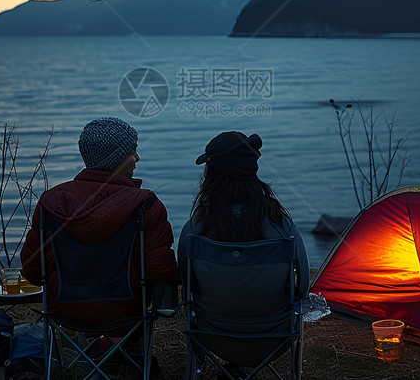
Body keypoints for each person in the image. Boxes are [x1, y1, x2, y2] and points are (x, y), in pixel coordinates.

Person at [20, 116, 179, 324]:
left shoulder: (51, 203)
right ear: (117, 158)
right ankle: (129, 351)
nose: (137, 157)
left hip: (63, 312)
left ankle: (78, 348)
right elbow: (161, 270)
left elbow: (33, 272)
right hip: (128, 313)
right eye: (132, 151)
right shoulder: (145, 205)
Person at [178, 131, 310, 376]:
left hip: (213, 334)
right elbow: (303, 286)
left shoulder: (195, 228)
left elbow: (187, 290)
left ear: (213, 175)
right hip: (274, 336)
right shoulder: (281, 226)